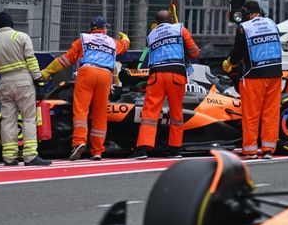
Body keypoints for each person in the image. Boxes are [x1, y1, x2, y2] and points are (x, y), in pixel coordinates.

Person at [41, 16, 130, 161]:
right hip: (106, 75)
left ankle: (79, 142)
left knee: (81, 110)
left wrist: (47, 71)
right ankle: (97, 151)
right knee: (100, 114)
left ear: (92, 29)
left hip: (87, 72)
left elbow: (66, 59)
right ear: (104, 29)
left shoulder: (84, 40)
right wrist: (125, 38)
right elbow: (124, 45)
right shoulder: (112, 42)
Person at [131, 10, 201, 159]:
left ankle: (142, 148)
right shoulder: (180, 29)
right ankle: (175, 149)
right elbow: (194, 52)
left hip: (156, 75)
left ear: (157, 22)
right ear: (171, 19)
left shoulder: (151, 35)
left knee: (150, 112)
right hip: (176, 73)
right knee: (176, 113)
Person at [0, 12, 51, 166]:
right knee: (28, 118)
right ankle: (30, 156)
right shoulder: (21, 37)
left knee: (8, 120)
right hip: (23, 82)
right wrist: (39, 81)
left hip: (4, 84)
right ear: (11, 24)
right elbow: (31, 61)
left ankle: (9, 157)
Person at [223, 0, 282, 159]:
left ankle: (250, 150)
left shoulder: (244, 28)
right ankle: (268, 149)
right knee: (271, 113)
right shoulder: (272, 24)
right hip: (275, 73)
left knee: (251, 114)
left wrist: (229, 63)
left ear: (246, 14)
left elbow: (237, 52)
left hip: (254, 75)